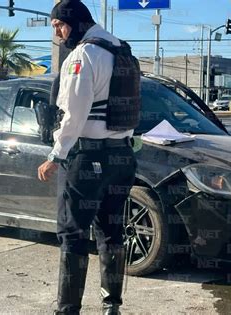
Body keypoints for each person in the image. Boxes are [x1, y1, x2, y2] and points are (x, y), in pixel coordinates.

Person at [37, 0, 138, 314]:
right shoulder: (122, 50)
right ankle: (112, 307)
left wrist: (56, 154)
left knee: (72, 235)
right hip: (121, 157)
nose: (59, 34)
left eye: (59, 26)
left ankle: (68, 310)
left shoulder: (83, 55)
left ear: (75, 21)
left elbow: (74, 114)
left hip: (86, 160)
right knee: (111, 232)